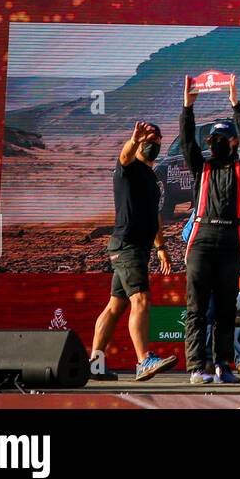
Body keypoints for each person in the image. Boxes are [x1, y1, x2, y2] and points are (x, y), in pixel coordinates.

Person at [181, 75, 240, 385]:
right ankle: (197, 367)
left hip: (229, 242)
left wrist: (236, 104)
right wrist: (187, 107)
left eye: (222, 139)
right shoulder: (201, 167)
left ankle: (223, 366)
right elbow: (188, 141)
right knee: (197, 307)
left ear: (233, 142)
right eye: (212, 139)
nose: (215, 143)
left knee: (226, 308)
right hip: (201, 240)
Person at [87, 121, 177, 381]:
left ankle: (95, 363)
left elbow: (156, 215)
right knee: (141, 300)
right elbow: (125, 155)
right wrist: (134, 139)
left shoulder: (152, 177)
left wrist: (161, 247)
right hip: (127, 246)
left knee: (115, 305)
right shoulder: (128, 169)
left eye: (158, 139)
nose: (154, 143)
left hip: (138, 247)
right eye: (150, 138)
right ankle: (143, 361)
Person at [184, 196, 240, 375]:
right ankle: (208, 360)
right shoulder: (204, 201)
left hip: (231, 262)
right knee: (207, 311)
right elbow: (186, 233)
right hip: (207, 262)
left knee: (235, 312)